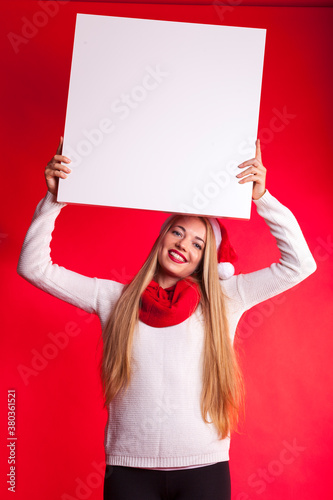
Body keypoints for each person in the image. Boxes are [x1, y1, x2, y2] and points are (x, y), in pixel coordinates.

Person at [17, 137, 317, 500]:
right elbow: (34, 267)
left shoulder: (223, 299)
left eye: (198, 243)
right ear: (162, 236)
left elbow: (299, 265)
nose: (183, 245)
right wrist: (54, 199)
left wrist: (262, 197)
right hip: (129, 472)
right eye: (178, 232)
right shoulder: (114, 298)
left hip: (205, 471)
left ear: (206, 259)